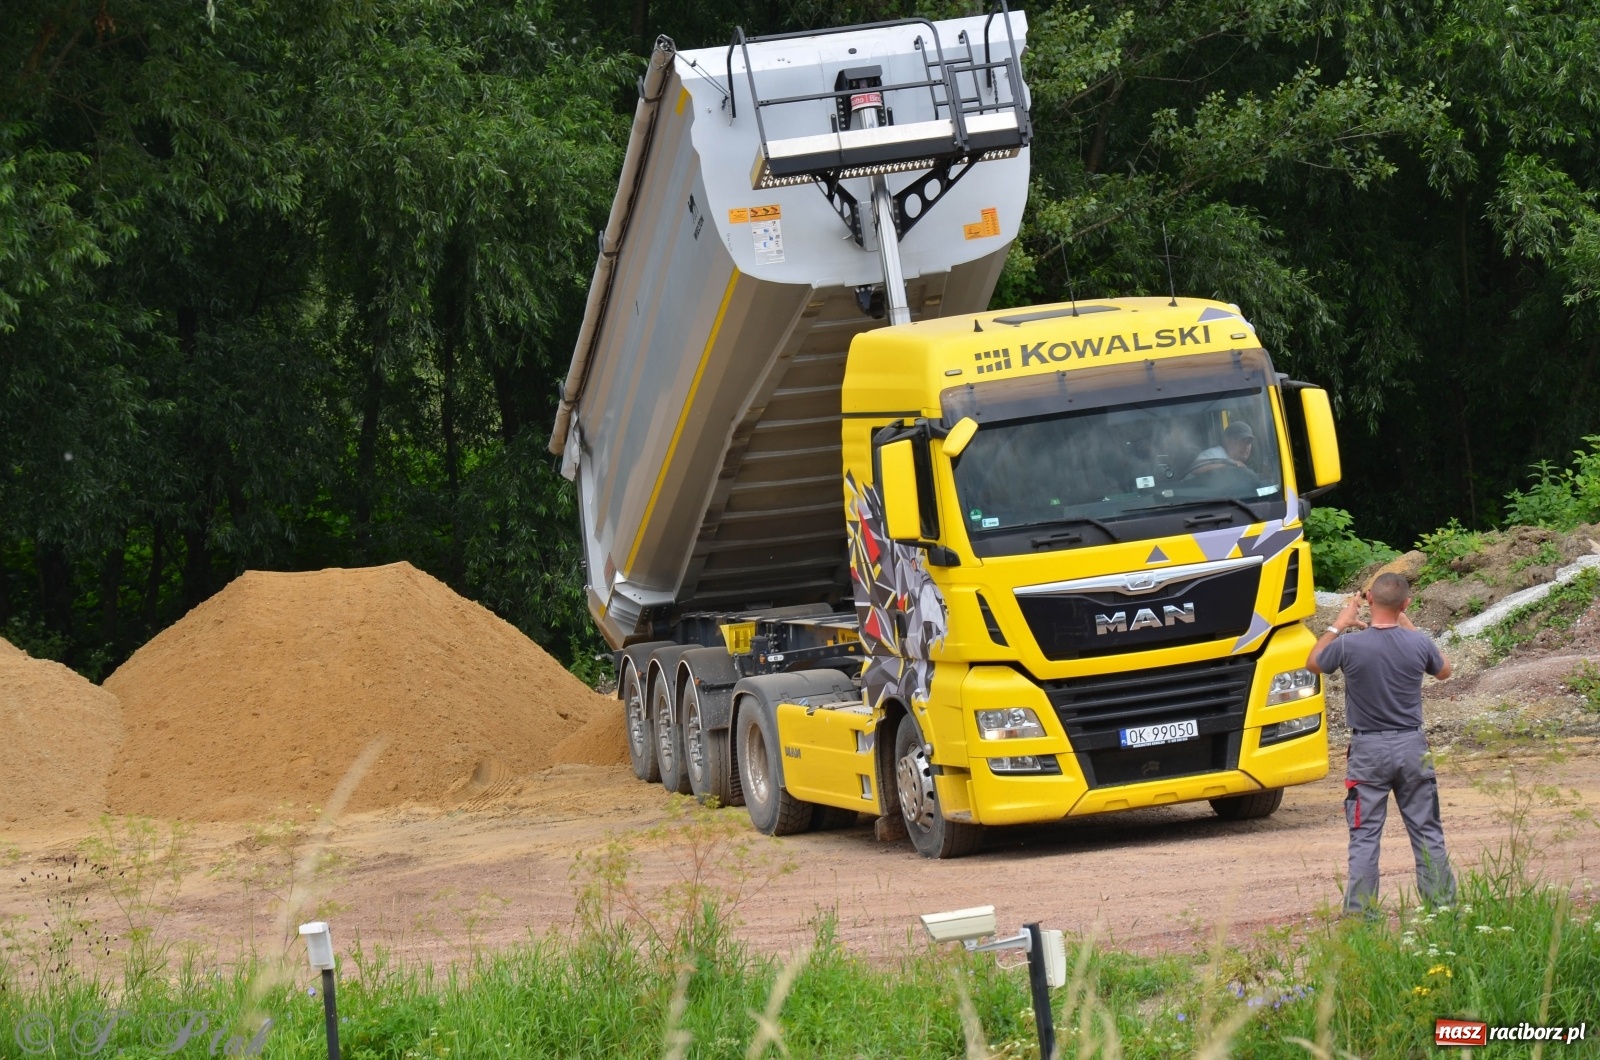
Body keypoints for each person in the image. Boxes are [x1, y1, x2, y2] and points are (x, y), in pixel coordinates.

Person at [1308, 571, 1455, 917]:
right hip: (1412, 747)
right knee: (1427, 832)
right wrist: (1409, 624)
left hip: (1367, 751)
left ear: (1369, 601)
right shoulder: (1418, 643)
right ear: (1405, 604)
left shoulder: (1347, 645)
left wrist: (1338, 624)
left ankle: (1361, 918)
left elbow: (1313, 662)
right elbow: (1445, 670)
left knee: (1364, 837)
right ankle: (1444, 911)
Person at [1188, 420, 1255, 475]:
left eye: (1248, 443)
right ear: (1227, 440)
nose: (1246, 446)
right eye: (1240, 441)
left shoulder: (1251, 463)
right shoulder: (1215, 453)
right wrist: (1232, 464)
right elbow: (1196, 469)